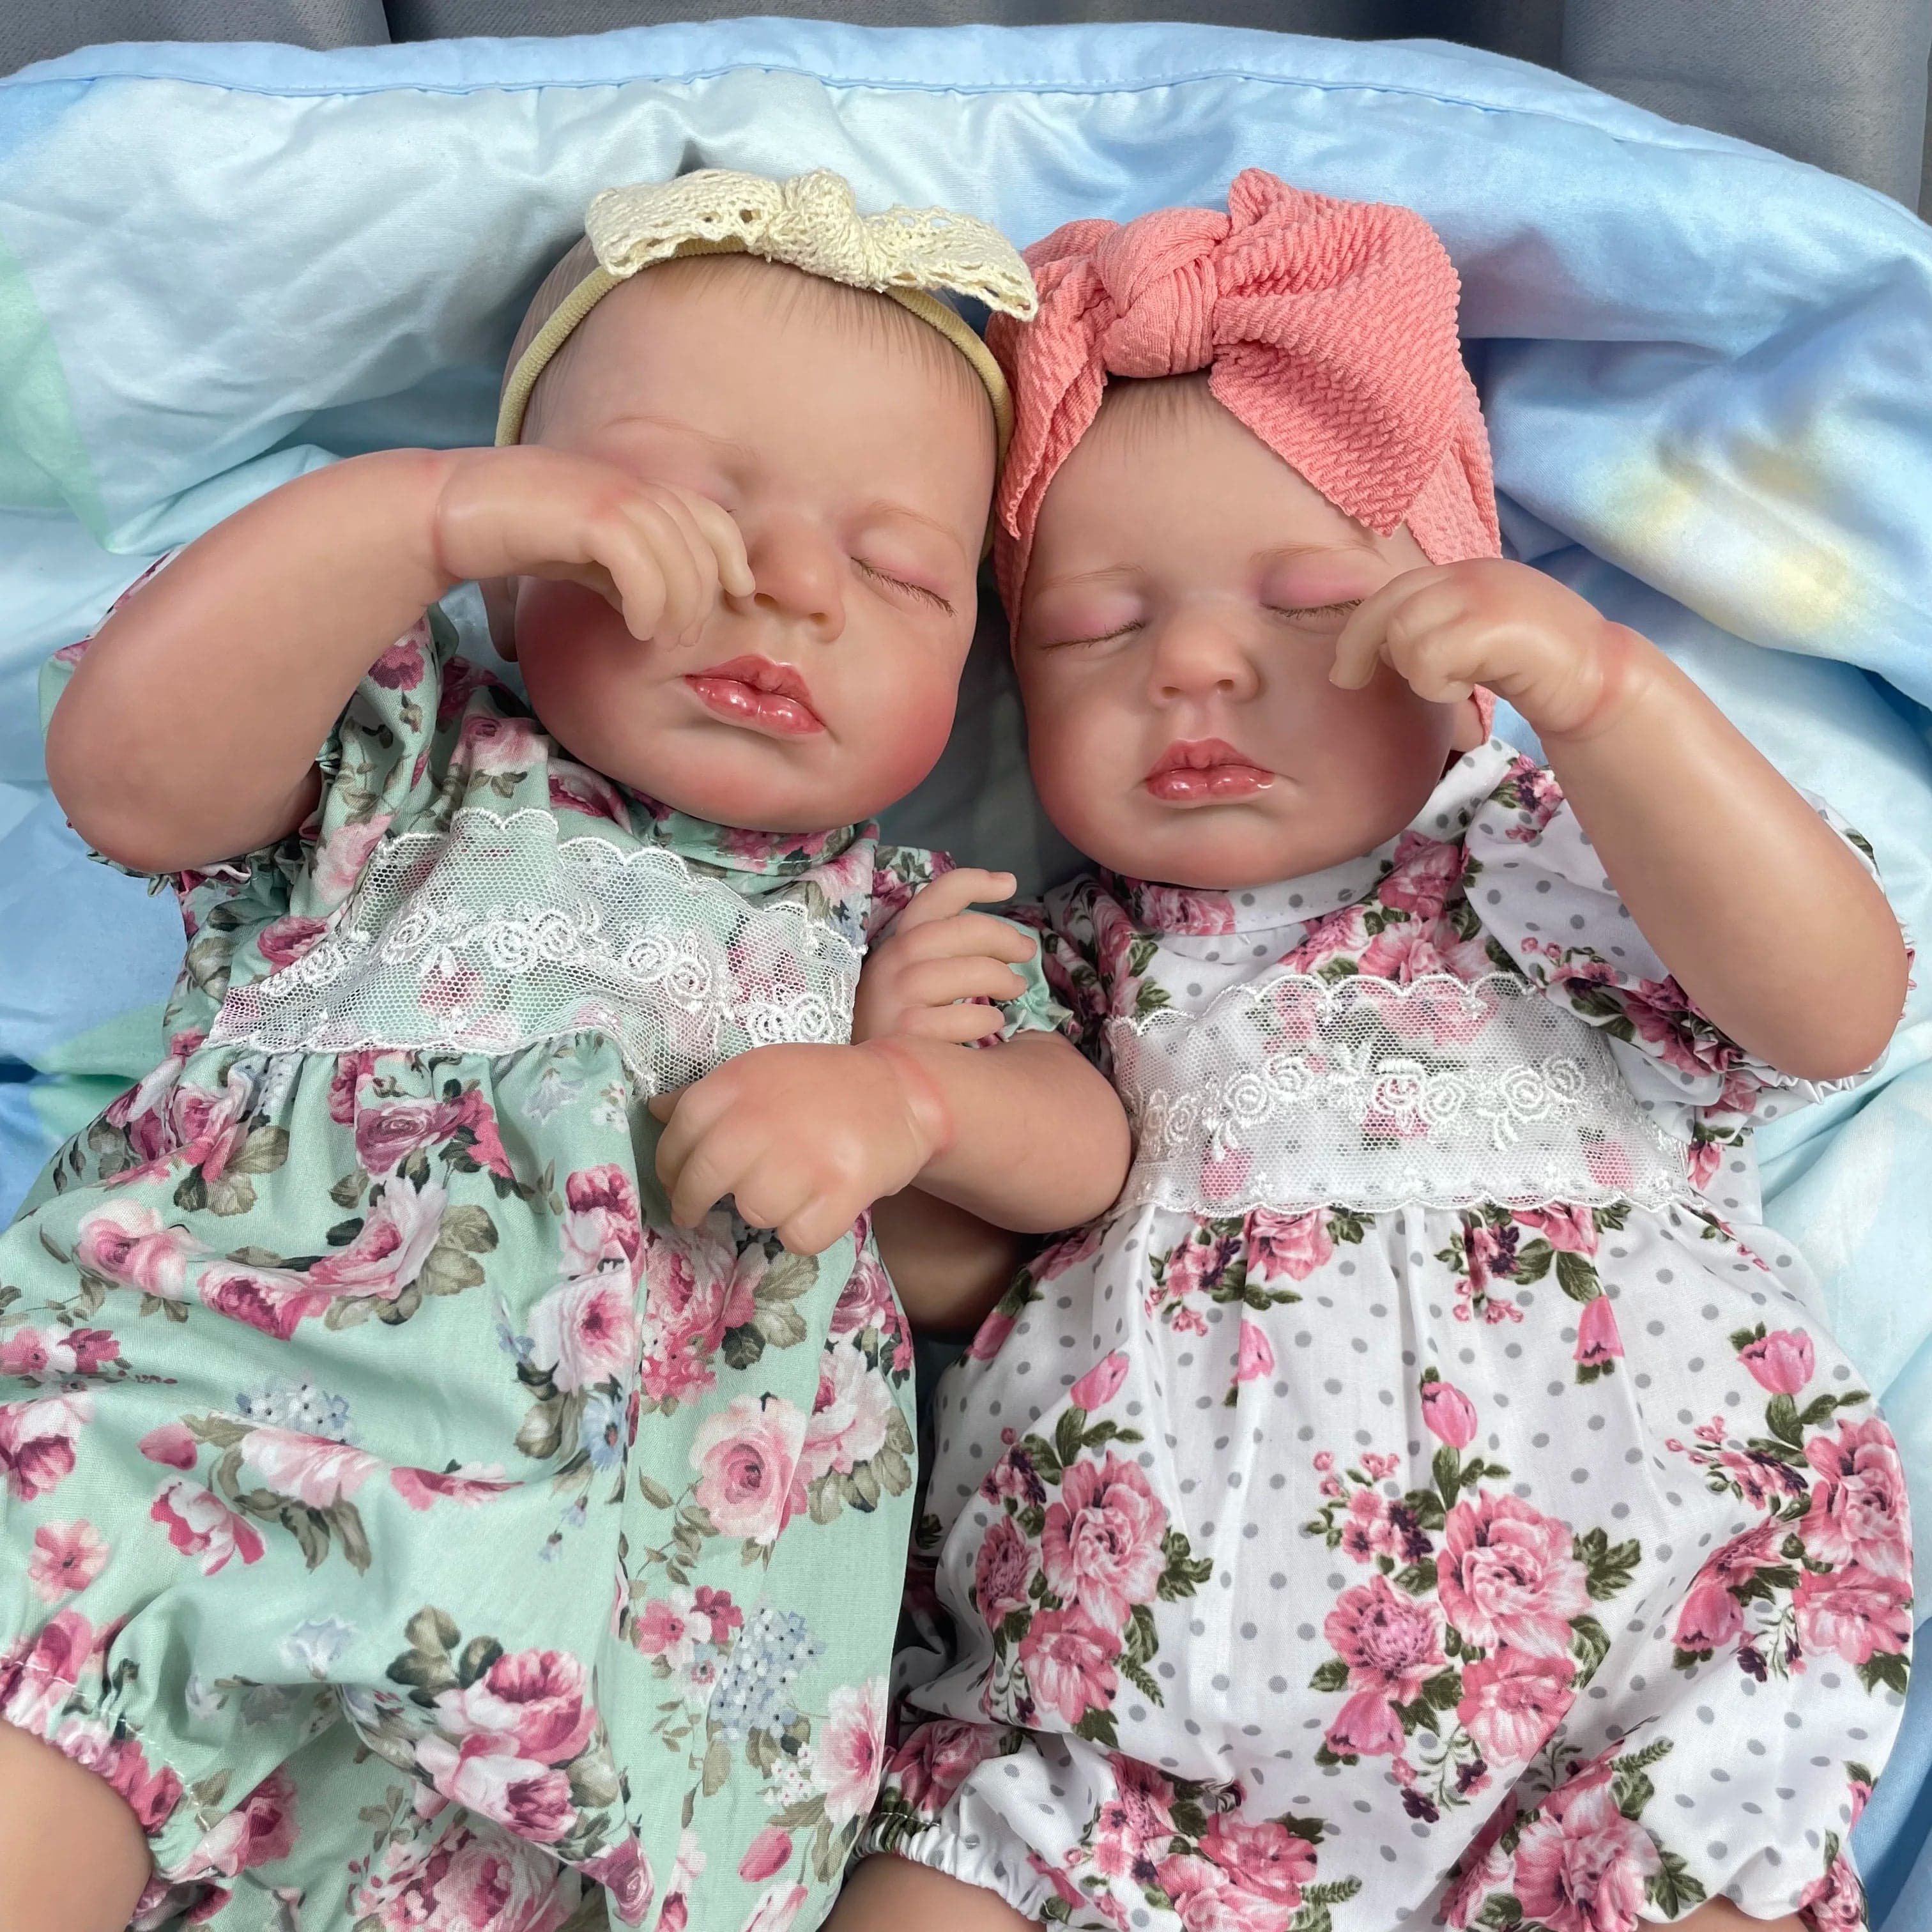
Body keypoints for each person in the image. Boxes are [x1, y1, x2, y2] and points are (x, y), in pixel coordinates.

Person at [0, 169, 1129, 1932]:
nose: (789, 585)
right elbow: (126, 779)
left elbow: (1038, 1196)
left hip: (620, 1637)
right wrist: (424, 516)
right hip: (192, 1453)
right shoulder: (405, 758)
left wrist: (912, 1098)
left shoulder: (901, 932)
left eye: (899, 571)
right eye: (680, 508)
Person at [842, 171, 1912, 1932]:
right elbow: (960, 1293)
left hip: (1619, 1703)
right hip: (1129, 1731)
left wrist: (1610, 699)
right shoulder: (1051, 966)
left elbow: (1836, 1005)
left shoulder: (1551, 862)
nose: (1195, 662)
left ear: (1464, 635)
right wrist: (908, 1110)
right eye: (1097, 629)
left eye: (1305, 602)